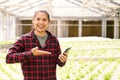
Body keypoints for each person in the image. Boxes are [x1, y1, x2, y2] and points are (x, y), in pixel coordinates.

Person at [6, 10, 68, 80]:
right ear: (33, 20)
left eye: (44, 20)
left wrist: (62, 60)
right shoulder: (24, 39)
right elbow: (9, 58)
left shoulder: (54, 40)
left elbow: (59, 63)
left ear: (49, 22)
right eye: (38, 19)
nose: (41, 22)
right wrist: (30, 53)